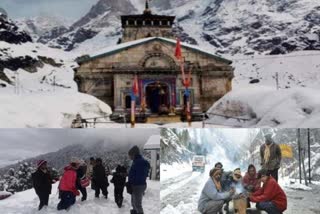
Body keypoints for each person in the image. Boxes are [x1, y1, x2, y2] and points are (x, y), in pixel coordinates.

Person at [128, 145, 150, 214]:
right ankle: (135, 212)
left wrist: (131, 183)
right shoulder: (138, 161)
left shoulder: (139, 162)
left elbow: (139, 176)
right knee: (133, 202)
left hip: (138, 186)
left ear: (134, 154)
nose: (129, 157)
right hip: (136, 185)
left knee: (137, 204)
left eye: (130, 155)